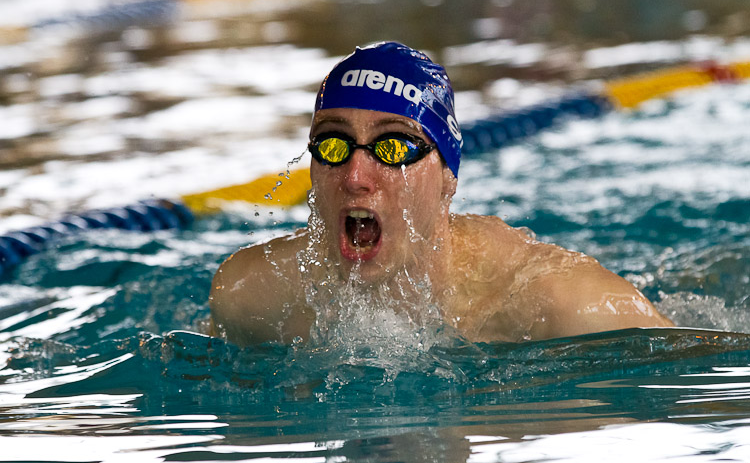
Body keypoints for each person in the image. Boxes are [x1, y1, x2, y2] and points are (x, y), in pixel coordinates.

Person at [209, 41, 673, 347]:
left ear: (448, 176)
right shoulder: (251, 295)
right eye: (334, 144)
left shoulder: (561, 304)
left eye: (393, 147)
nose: (354, 176)